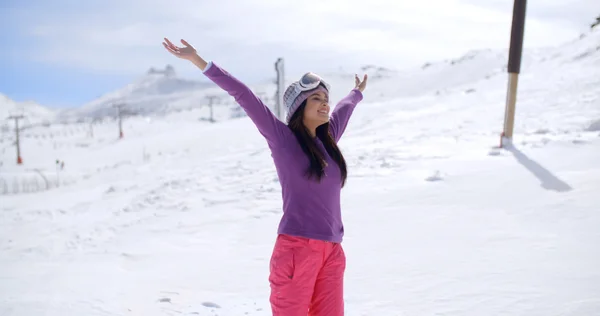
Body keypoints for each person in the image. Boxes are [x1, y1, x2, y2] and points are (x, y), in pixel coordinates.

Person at [163, 38, 367, 316]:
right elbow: (245, 96)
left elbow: (344, 110)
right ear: (299, 107)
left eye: (326, 100)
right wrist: (200, 61)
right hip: (297, 250)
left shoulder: (328, 142)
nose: (325, 105)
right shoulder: (283, 140)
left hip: (332, 252)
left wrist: (356, 93)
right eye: (316, 99)